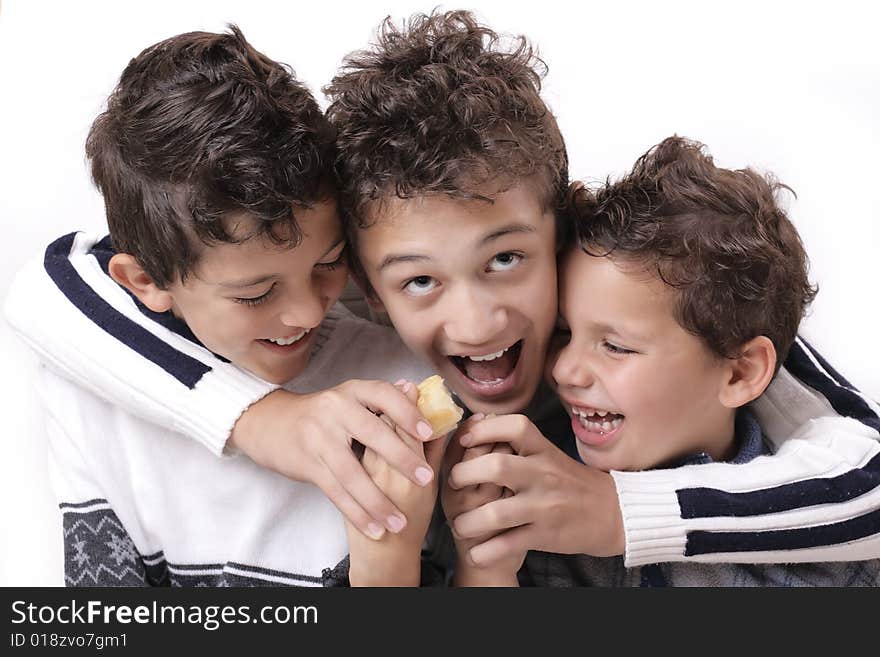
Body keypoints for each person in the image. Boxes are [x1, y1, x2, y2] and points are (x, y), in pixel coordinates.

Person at [7, 11, 880, 580]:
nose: (474, 318)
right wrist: (267, 421)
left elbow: (864, 466)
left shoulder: (637, 287)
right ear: (373, 283)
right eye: (418, 280)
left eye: (507, 260)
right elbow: (51, 283)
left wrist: (617, 513)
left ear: (563, 228)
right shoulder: (333, 294)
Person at [5, 26, 447, 586]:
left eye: (329, 263)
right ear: (144, 280)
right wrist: (261, 416)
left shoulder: (403, 384)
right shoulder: (94, 390)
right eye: (256, 294)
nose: (308, 313)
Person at [443, 136, 880, 585]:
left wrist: (620, 514)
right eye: (564, 332)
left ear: (740, 371)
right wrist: (486, 563)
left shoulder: (827, 554)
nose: (563, 369)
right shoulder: (523, 488)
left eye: (616, 346)